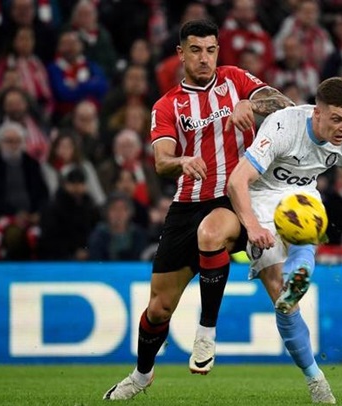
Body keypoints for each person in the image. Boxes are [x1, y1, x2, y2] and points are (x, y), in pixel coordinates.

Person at [103, 19, 294, 400]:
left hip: (235, 197)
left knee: (213, 233)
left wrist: (251, 103)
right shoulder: (166, 105)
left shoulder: (235, 79)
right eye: (195, 50)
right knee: (159, 308)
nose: (204, 58)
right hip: (187, 205)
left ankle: (206, 331)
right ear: (181, 53)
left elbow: (285, 106)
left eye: (210, 50)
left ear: (218, 51)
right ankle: (141, 375)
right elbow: (161, 161)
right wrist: (183, 161)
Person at [226, 77, 342, 403]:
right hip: (261, 198)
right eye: (336, 119)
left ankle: (299, 273)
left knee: (300, 249)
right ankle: (314, 376)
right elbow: (237, 181)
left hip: (302, 198)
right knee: (279, 293)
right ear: (316, 112)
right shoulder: (283, 127)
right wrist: (251, 226)